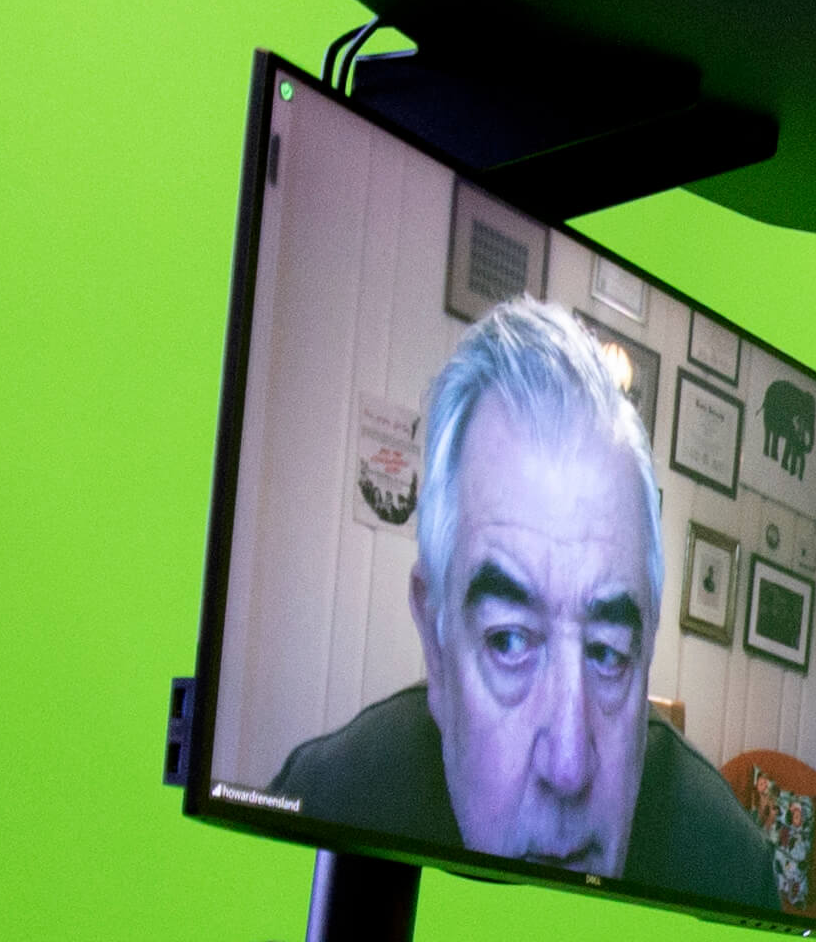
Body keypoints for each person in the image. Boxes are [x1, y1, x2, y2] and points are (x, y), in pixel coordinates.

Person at [266, 298, 785, 908]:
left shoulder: (726, 874)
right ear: (437, 643)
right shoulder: (327, 810)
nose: (568, 767)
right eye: (509, 640)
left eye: (608, 653)